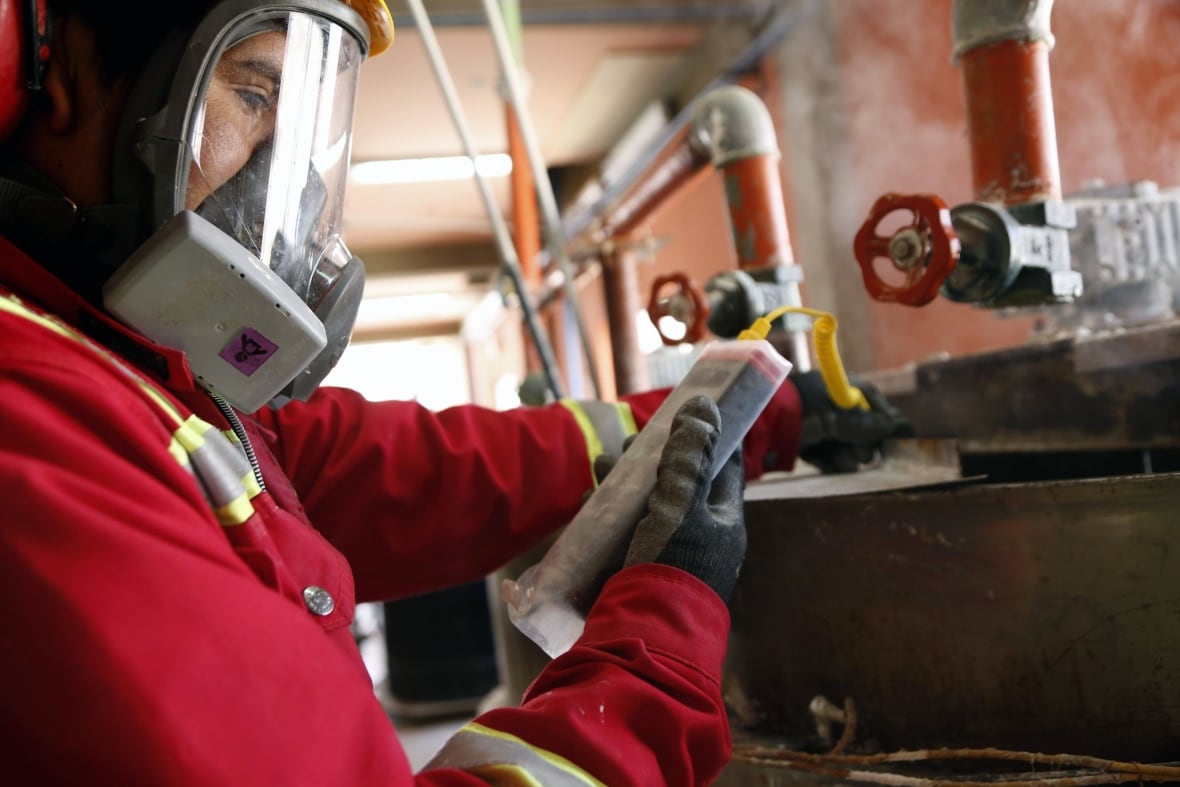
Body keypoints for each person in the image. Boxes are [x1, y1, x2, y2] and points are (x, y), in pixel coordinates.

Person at [0, 1, 908, 784]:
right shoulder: (31, 427)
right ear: (62, 70)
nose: (291, 185)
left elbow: (396, 469)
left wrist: (723, 415)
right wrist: (659, 642)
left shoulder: (126, 363)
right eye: (255, 95)